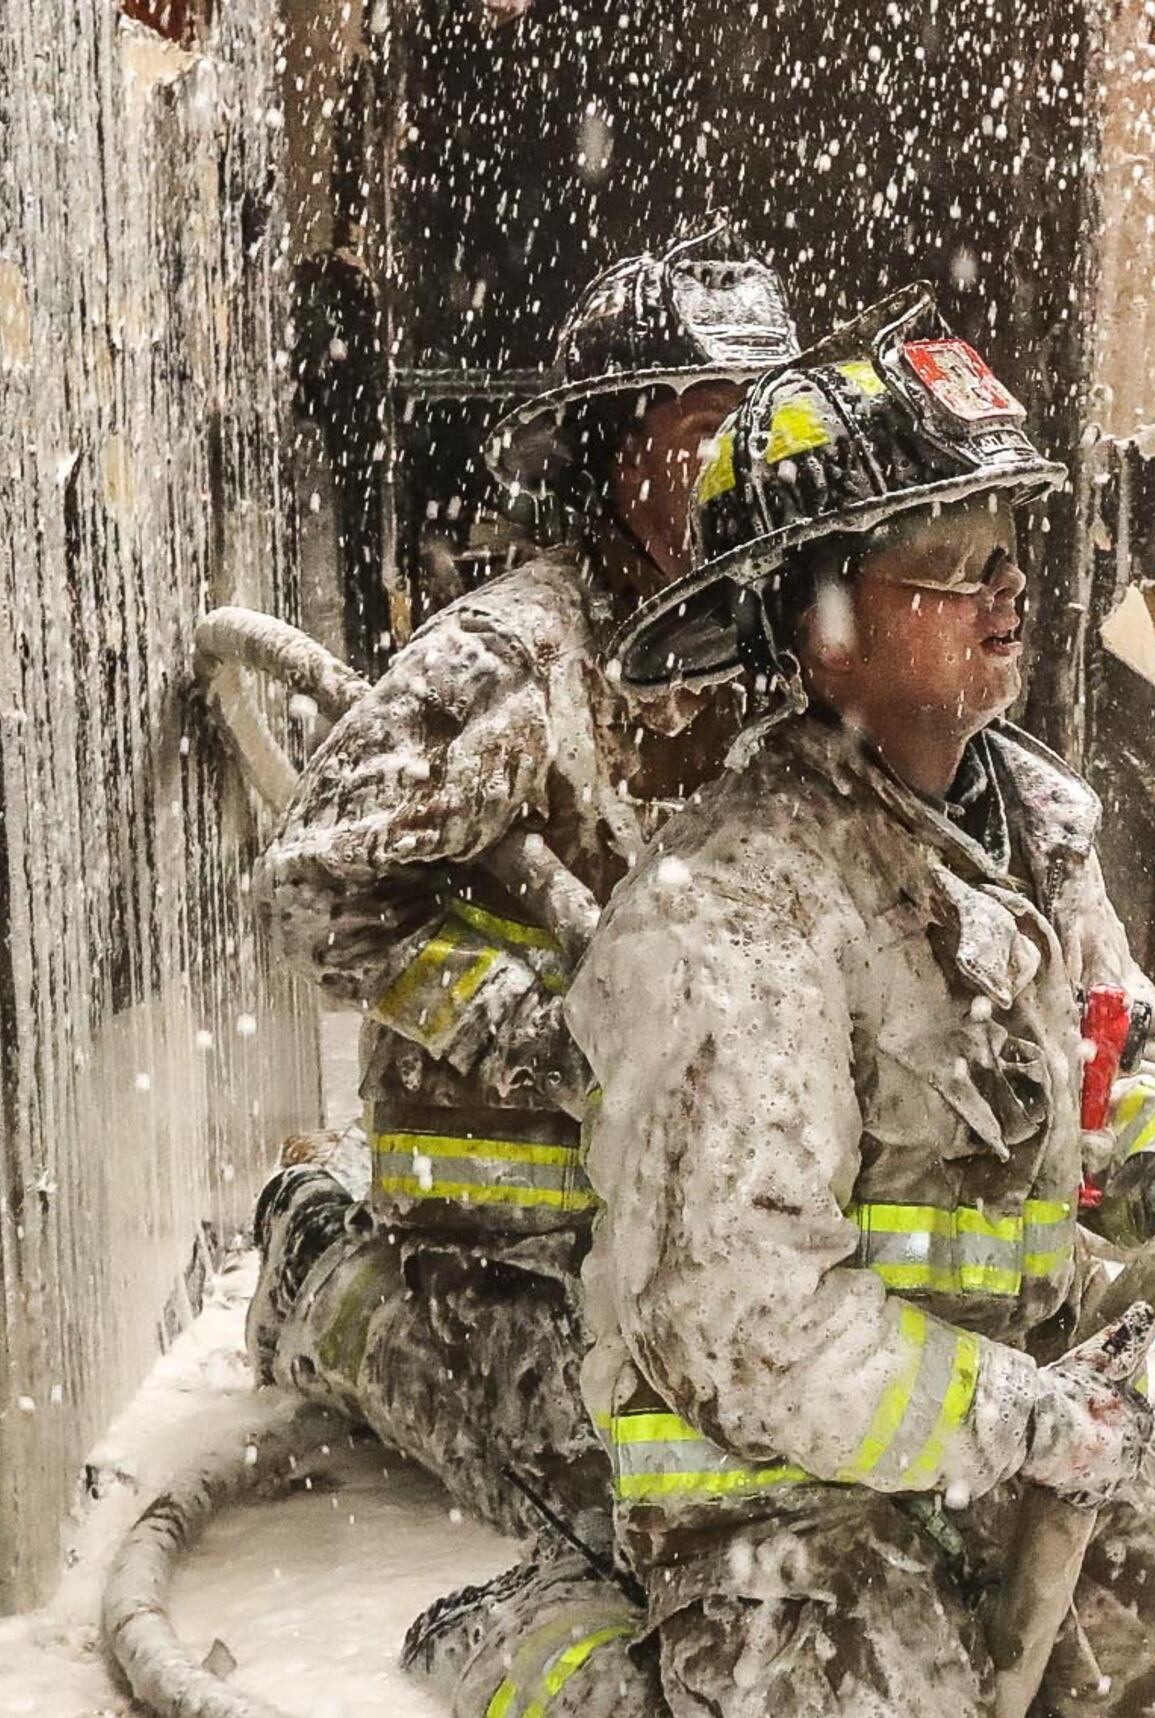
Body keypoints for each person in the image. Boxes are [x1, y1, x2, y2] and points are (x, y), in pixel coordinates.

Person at [403, 304, 1155, 1718]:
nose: (1006, 586)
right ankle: (545, 1646)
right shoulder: (729, 920)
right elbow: (734, 1322)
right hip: (779, 1485)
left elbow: (1116, 1078)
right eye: (947, 557)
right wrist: (1015, 1420)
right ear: (816, 627)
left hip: (1007, 1443)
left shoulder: (1032, 829)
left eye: (1006, 543)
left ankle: (927, 1678)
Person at [246, 226, 798, 1557]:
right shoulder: (517, 656)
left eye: (766, 426)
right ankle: (325, 1275)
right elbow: (315, 887)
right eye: (711, 423)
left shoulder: (783, 648)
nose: (747, 463)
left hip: (681, 1228)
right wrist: (542, 1030)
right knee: (616, 1504)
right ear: (619, 445)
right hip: (508, 1241)